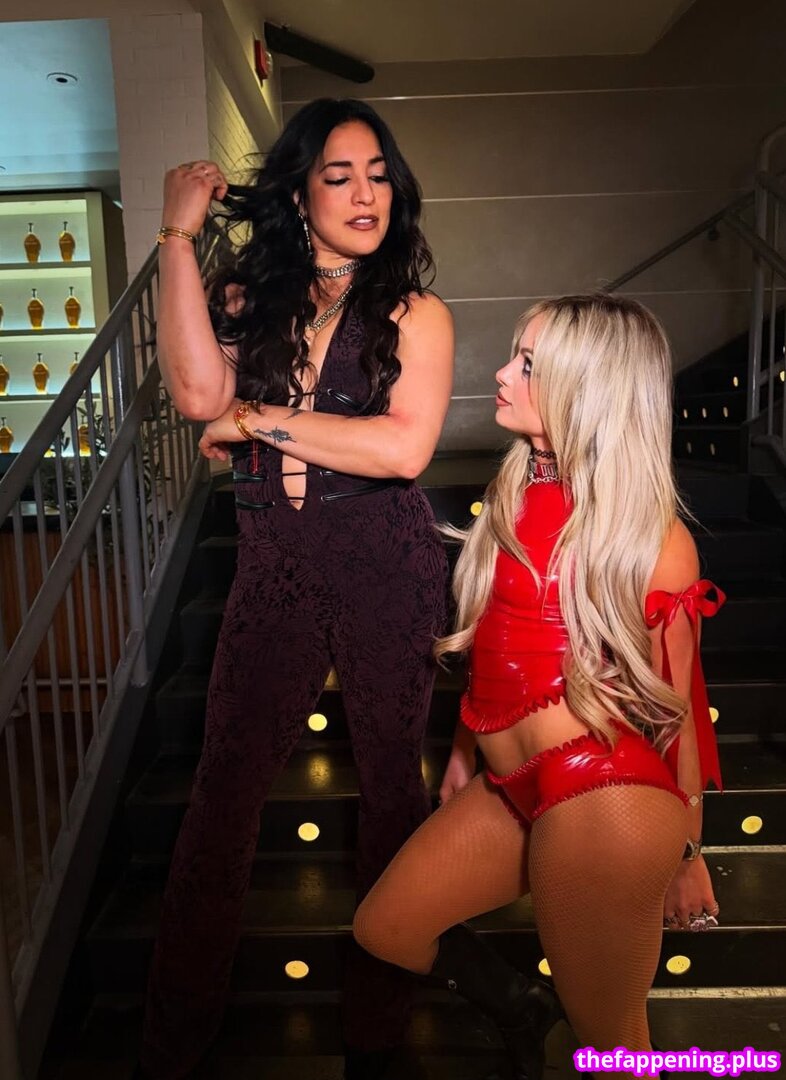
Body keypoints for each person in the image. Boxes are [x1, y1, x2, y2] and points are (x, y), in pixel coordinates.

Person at [138, 98, 453, 1080]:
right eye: (339, 175)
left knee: (392, 792)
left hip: (385, 562)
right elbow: (197, 394)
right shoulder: (248, 299)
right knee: (221, 797)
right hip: (273, 564)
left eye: (378, 175)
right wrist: (177, 236)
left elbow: (401, 450)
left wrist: (252, 418)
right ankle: (173, 1043)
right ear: (298, 193)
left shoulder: (415, 313)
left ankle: (377, 1035)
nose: (367, 194)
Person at [353, 294, 724, 1080]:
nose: (501, 374)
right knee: (386, 927)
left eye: (527, 364)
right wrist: (465, 752)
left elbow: (680, 705)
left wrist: (689, 848)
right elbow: (493, 645)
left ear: (587, 386)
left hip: (606, 798)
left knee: (614, 1050)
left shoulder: (650, 536)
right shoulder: (513, 495)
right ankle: (523, 1009)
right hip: (511, 784)